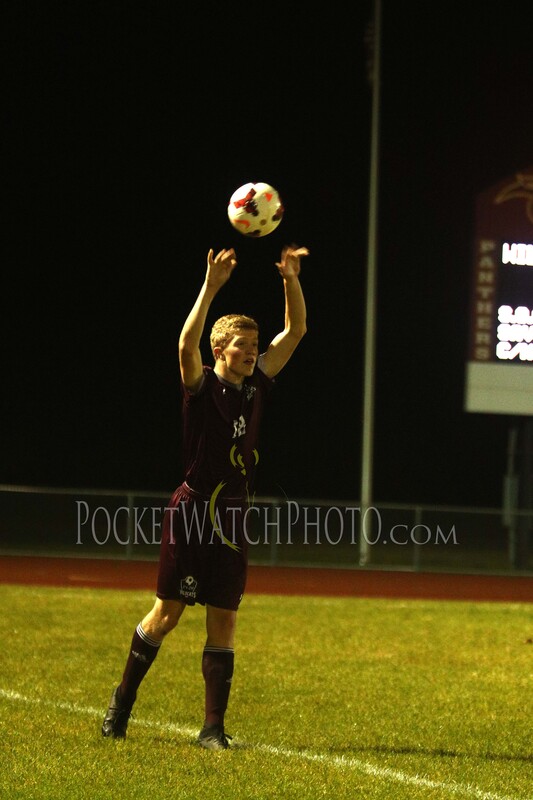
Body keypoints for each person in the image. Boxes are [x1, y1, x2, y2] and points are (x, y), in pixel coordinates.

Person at [102, 243, 308, 750]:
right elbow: (184, 345)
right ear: (221, 350)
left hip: (233, 517)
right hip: (192, 512)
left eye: (256, 343)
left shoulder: (257, 385)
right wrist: (211, 286)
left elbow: (297, 330)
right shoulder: (200, 384)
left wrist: (290, 280)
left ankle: (212, 729)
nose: (254, 350)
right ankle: (120, 705)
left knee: (225, 617)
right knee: (167, 615)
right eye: (244, 344)